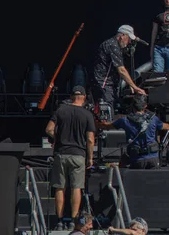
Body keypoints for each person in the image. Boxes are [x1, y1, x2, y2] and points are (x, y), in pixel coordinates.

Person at [45, 86, 96, 231]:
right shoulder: (87, 114)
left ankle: (59, 221)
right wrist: (90, 158)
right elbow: (90, 139)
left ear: (71, 96)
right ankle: (74, 221)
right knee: (76, 187)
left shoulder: (61, 110)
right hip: (78, 155)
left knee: (60, 187)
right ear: (84, 97)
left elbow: (48, 129)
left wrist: (58, 139)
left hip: (61, 153)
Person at [97, 95, 169, 169]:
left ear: (132, 106)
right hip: (153, 158)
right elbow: (167, 127)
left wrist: (95, 120)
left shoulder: (124, 120)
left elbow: (106, 126)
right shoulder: (154, 119)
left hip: (136, 159)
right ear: (145, 106)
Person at [91, 25, 147, 121]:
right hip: (104, 84)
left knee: (111, 110)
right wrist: (135, 87)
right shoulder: (112, 45)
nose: (129, 42)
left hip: (109, 84)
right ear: (122, 35)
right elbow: (121, 69)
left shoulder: (114, 45)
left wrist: (129, 83)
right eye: (129, 38)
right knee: (107, 113)